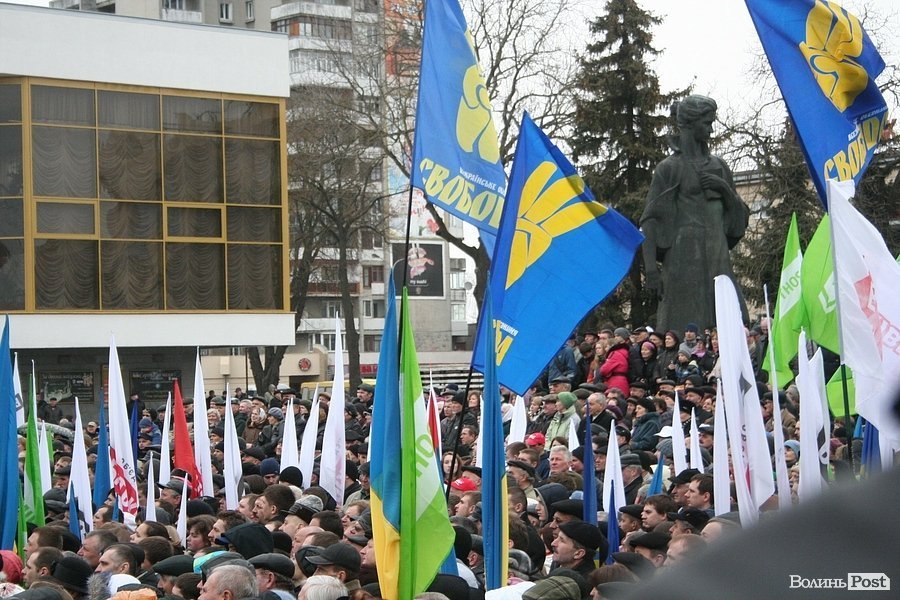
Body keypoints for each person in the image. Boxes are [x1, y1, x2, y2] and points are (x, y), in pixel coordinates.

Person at [640, 95, 750, 334]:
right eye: (707, 123)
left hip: (717, 252)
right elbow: (650, 219)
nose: (711, 130)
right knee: (679, 324)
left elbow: (738, 217)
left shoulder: (719, 166)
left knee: (729, 320)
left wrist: (724, 189)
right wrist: (651, 270)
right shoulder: (669, 168)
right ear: (690, 123)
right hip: (683, 256)